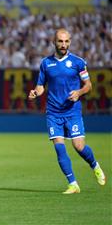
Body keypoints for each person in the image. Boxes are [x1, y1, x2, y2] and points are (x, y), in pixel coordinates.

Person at [28, 28, 106, 194]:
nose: (63, 45)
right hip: (53, 112)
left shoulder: (78, 62)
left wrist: (79, 92)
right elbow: (41, 86)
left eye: (66, 41)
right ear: (54, 42)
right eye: (60, 41)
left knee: (78, 146)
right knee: (59, 147)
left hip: (72, 112)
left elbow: (88, 86)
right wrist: (35, 92)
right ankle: (73, 184)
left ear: (70, 42)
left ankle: (95, 165)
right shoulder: (45, 63)